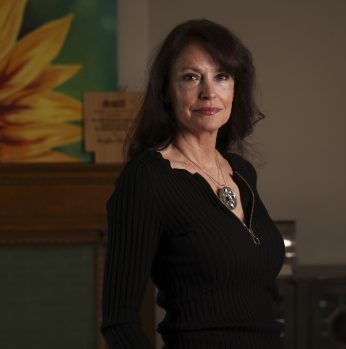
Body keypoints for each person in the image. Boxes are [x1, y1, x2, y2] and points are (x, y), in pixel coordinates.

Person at [100, 19, 285, 348]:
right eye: (191, 77)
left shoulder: (241, 171)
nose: (208, 92)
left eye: (221, 76)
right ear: (165, 91)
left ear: (235, 88)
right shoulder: (147, 178)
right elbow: (119, 321)